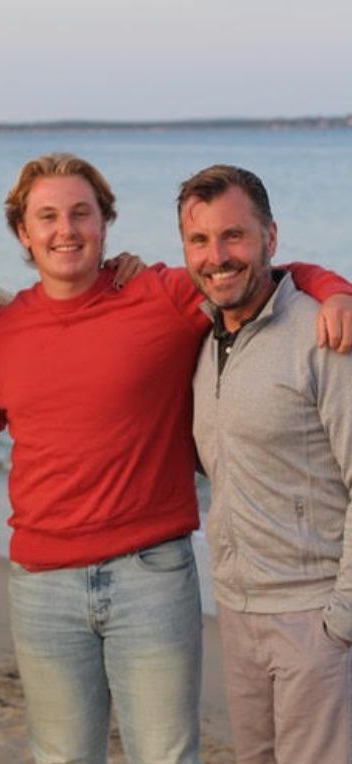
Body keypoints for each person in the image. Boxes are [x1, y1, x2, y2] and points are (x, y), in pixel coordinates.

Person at [0, 153, 352, 764]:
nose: (65, 229)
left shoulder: (161, 295)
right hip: (44, 585)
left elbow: (263, 277)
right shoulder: (1, 330)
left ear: (106, 223)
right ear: (23, 232)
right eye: (46, 216)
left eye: (81, 213)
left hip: (151, 577)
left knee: (166, 755)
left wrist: (335, 289)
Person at [180, 164, 352, 764]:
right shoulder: (200, 343)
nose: (217, 256)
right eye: (199, 241)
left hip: (315, 618)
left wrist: (343, 618)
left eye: (235, 236)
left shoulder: (323, 334)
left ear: (270, 239)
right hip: (236, 607)